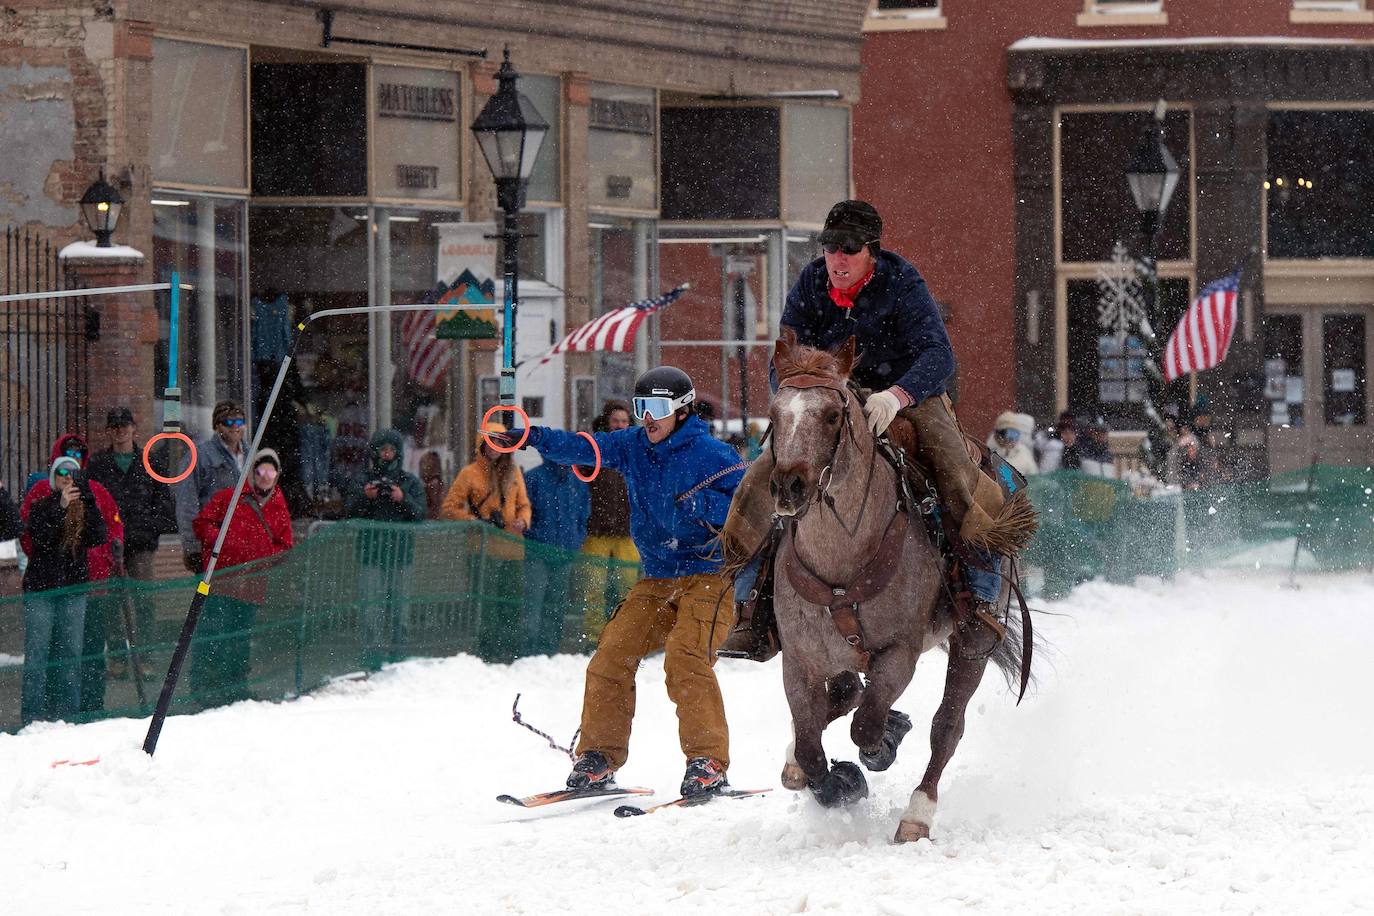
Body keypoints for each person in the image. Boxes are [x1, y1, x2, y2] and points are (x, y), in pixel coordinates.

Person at [720, 200, 1031, 659]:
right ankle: (749, 610)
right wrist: (792, 395)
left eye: (849, 248)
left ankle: (982, 596)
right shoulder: (811, 281)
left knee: (956, 467)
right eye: (830, 248)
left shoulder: (903, 281)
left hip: (906, 399)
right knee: (760, 478)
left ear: (872, 250)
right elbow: (785, 357)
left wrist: (896, 395)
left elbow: (938, 356)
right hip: (828, 400)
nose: (837, 258)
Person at [493, 366, 747, 799]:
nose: (648, 418)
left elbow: (752, 508)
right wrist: (531, 437)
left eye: (659, 408)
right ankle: (598, 759)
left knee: (685, 658)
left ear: (683, 411)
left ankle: (708, 762)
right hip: (658, 578)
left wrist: (701, 504)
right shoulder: (632, 447)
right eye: (641, 407)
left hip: (709, 575)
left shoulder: (713, 456)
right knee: (611, 655)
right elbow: (581, 447)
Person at [19, 434, 125, 713]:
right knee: (38, 655)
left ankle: (70, 711)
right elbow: (38, 539)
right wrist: (60, 504)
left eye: (74, 471)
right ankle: (33, 714)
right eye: (63, 472)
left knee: (72, 653)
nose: (68, 477)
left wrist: (87, 500)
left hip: (75, 587)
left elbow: (99, 536)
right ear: (54, 475)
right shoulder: (42, 500)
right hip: (43, 588)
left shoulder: (89, 498)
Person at [189, 448, 293, 706]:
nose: (265, 476)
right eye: (260, 469)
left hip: (251, 585)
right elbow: (202, 523)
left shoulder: (279, 507)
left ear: (277, 474)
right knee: (213, 636)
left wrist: (264, 555)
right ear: (252, 471)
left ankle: (235, 687)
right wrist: (220, 541)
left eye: (271, 470)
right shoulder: (230, 497)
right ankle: (205, 688)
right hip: (221, 582)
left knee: (240, 639)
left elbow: (285, 545)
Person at [88, 406, 177, 681]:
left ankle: (146, 658)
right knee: (113, 604)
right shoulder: (98, 465)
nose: (120, 430)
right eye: (115, 426)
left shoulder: (150, 461)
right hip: (110, 545)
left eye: (125, 425)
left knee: (144, 603)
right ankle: (117, 659)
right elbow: (91, 501)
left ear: (134, 429)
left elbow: (165, 500)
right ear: (108, 431)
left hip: (141, 544)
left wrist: (151, 529)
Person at [441, 421, 531, 663]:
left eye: (501, 443)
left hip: (513, 549)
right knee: (486, 603)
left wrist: (523, 520)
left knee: (512, 602)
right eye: (491, 442)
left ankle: (510, 649)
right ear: (482, 444)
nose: (496, 448)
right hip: (482, 550)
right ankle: (488, 650)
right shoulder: (469, 474)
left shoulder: (514, 472)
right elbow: (449, 508)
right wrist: (476, 521)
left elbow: (524, 504)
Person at [343, 429, 426, 670]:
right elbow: (349, 510)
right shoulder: (362, 480)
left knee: (401, 606)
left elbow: (420, 514)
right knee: (371, 606)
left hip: (401, 555)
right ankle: (373, 653)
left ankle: (400, 653)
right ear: (375, 453)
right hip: (371, 554)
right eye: (382, 450)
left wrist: (403, 498)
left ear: (398, 453)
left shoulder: (410, 482)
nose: (387, 455)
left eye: (391, 450)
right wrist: (365, 497)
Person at [579, 401, 640, 642]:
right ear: (607, 422)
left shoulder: (635, 450)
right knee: (594, 589)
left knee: (629, 588)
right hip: (598, 531)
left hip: (627, 532)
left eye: (624, 421)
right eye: (616, 420)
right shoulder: (596, 449)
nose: (620, 425)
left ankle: (623, 634)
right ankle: (594, 636)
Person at [522, 456, 590, 656]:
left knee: (556, 604)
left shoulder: (577, 482)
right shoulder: (534, 478)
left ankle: (549, 648)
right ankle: (529, 650)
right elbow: (525, 510)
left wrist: (575, 541)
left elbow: (582, 516)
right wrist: (532, 538)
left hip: (564, 553)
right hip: (538, 551)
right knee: (534, 601)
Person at [176, 401, 249, 574]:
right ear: (217, 426)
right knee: (213, 597)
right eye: (228, 423)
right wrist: (192, 546)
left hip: (245, 542)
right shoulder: (200, 456)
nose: (235, 427)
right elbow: (187, 503)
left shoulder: (252, 455)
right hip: (213, 542)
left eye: (239, 422)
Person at [987, 411, 1038, 478]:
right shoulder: (988, 454)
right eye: (1009, 434)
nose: (1012, 440)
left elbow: (1034, 478)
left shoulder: (1024, 453)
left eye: (1016, 434)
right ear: (999, 435)